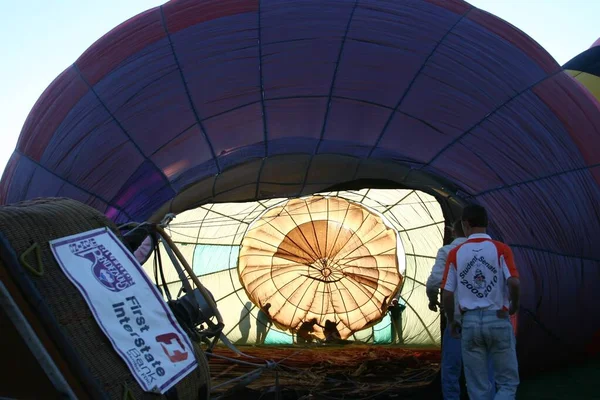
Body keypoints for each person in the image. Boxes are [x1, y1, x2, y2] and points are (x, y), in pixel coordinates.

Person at [442, 205, 520, 400]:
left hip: (470, 323)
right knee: (507, 382)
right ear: (488, 224)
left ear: (465, 225)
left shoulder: (455, 253)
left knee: (477, 387)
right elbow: (514, 282)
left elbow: (447, 294)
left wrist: (451, 320)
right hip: (498, 318)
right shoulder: (501, 249)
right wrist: (514, 306)